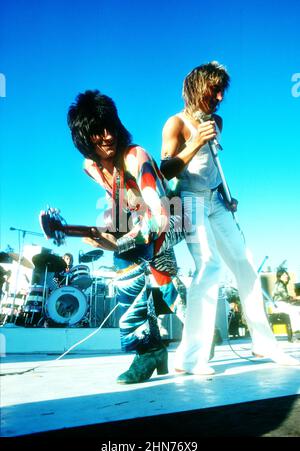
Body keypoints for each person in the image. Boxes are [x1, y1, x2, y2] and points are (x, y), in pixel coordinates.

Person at [160, 61, 299, 374]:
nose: (221, 97)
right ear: (197, 88)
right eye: (215, 90)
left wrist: (225, 194)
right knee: (209, 265)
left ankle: (264, 343)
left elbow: (212, 168)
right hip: (190, 200)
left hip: (216, 201)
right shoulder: (176, 123)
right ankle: (189, 357)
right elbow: (165, 169)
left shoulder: (217, 121)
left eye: (223, 91)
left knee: (245, 262)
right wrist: (195, 141)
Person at [67, 90, 184, 384]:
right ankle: (185, 332)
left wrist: (122, 240)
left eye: (110, 127)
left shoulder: (135, 156)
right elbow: (118, 206)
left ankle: (147, 349)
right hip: (141, 223)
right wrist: (99, 234)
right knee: (161, 278)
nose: (107, 136)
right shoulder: (91, 168)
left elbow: (160, 216)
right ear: (84, 138)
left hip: (175, 216)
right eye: (96, 132)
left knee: (128, 259)